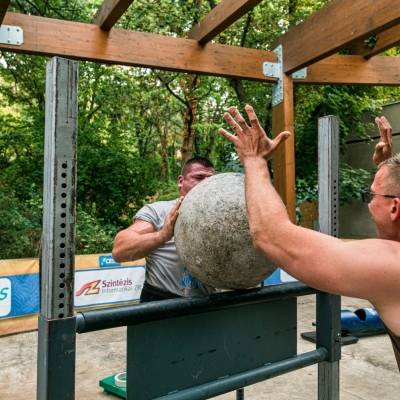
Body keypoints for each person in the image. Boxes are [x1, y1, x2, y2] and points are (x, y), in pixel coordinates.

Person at [219, 104, 400, 371]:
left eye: (371, 195)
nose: (369, 203)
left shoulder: (391, 267)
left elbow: (271, 236)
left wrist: (254, 159)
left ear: (394, 208)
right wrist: (389, 167)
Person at [112, 156, 215, 302]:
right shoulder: (158, 211)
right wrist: (162, 235)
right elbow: (120, 250)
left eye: (210, 179)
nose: (206, 183)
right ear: (181, 181)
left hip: (208, 303)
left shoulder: (222, 215)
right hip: (160, 301)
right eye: (199, 177)